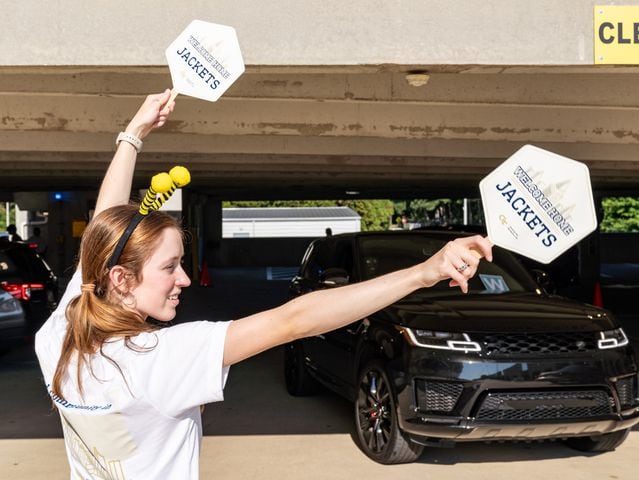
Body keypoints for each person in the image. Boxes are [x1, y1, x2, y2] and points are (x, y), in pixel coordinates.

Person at [35, 90, 492, 479]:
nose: (185, 279)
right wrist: (424, 272)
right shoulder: (157, 360)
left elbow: (103, 226)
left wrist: (133, 134)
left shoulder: (58, 335)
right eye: (170, 267)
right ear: (121, 276)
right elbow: (295, 320)